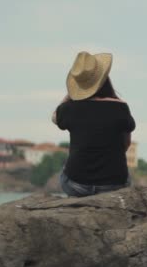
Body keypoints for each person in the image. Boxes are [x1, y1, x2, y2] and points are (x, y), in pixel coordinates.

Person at [52, 51, 136, 197]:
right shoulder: (121, 107)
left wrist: (70, 95)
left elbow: (55, 117)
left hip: (76, 184)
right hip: (114, 184)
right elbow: (126, 144)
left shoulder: (70, 108)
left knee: (67, 169)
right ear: (105, 80)